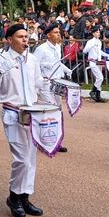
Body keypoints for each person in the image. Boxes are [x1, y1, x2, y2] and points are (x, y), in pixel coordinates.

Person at [0, 23, 45, 217]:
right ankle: (13, 197)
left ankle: (25, 197)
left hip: (32, 114)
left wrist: (51, 89)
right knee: (21, 159)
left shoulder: (33, 60)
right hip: (12, 114)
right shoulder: (1, 60)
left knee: (31, 158)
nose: (25, 40)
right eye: (20, 37)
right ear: (9, 40)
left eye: (26, 36)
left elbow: (39, 83)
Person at [33, 23, 72, 152]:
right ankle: (42, 141)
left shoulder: (57, 47)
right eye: (55, 32)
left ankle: (56, 141)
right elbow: (34, 66)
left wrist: (66, 69)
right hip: (46, 84)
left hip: (57, 83)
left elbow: (58, 63)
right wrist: (45, 67)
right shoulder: (41, 49)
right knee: (49, 111)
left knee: (58, 111)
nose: (58, 34)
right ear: (48, 35)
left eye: (58, 32)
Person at [83, 26, 109, 102]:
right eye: (97, 32)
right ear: (93, 33)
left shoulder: (99, 42)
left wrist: (107, 55)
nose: (98, 33)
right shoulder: (90, 42)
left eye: (99, 32)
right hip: (93, 62)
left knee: (99, 79)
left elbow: (99, 52)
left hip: (98, 61)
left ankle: (98, 96)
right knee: (100, 78)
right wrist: (91, 46)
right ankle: (92, 91)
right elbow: (85, 51)